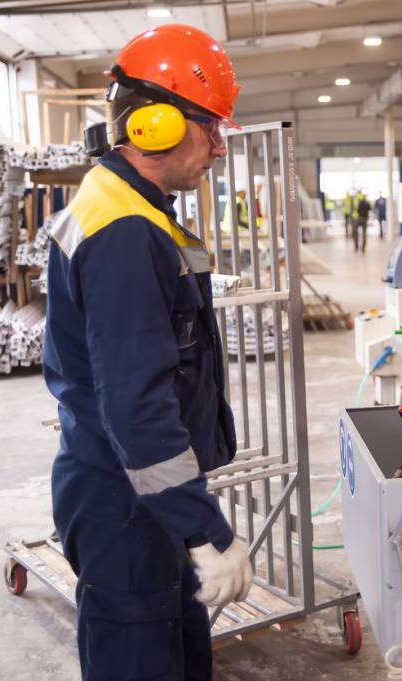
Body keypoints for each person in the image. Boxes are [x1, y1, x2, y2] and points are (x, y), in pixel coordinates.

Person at [42, 24, 252, 681]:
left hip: (136, 492)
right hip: (126, 502)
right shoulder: (125, 234)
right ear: (154, 126)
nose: (219, 146)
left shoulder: (132, 209)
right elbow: (136, 412)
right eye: (209, 126)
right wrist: (205, 531)